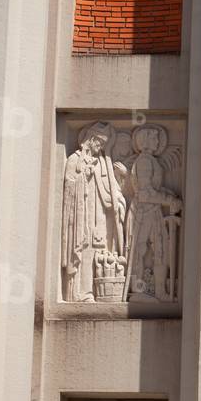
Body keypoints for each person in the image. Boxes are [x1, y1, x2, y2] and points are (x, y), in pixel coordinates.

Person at [62, 121, 127, 302]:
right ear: (90, 139)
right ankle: (78, 294)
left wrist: (121, 181)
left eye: (103, 145)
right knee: (82, 250)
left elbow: (112, 191)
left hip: (98, 216)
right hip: (80, 216)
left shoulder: (102, 164)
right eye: (98, 143)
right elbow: (69, 185)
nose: (100, 147)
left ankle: (90, 291)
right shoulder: (74, 160)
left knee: (96, 251)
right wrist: (84, 175)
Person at [124, 125, 182, 302]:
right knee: (140, 251)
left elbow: (153, 189)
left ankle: (159, 292)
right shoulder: (143, 162)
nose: (157, 140)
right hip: (142, 212)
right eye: (154, 137)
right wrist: (169, 200)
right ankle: (138, 290)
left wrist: (169, 196)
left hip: (152, 211)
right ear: (146, 141)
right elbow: (145, 193)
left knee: (161, 251)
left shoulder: (149, 160)